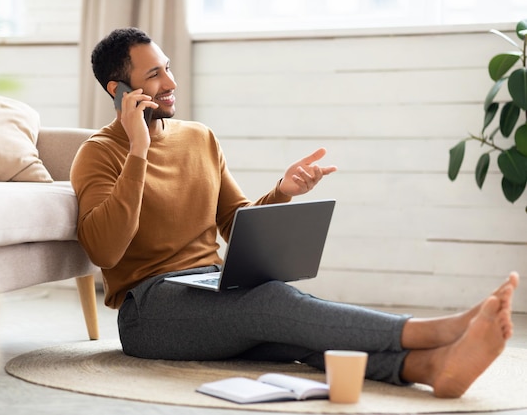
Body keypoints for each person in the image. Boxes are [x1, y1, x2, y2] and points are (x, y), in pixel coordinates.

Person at [70, 27, 520, 399]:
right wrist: (139, 152)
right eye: (154, 75)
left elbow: (234, 223)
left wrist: (282, 191)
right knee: (271, 304)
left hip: (210, 286)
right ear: (120, 91)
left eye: (167, 67)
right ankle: (433, 332)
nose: (169, 83)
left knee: (294, 334)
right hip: (149, 312)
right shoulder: (98, 154)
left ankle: (430, 366)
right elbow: (105, 251)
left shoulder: (199, 138)